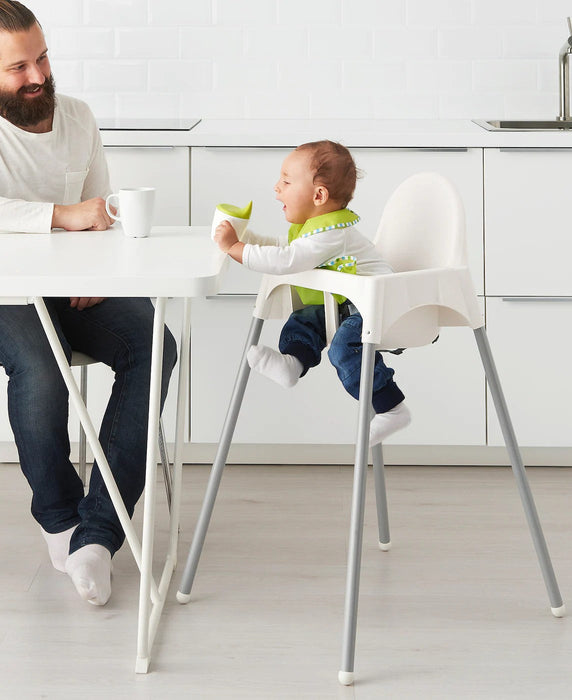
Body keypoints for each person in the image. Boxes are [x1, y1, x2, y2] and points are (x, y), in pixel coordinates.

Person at [0, 1, 177, 605]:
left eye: (42, 57)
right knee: (41, 370)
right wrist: (59, 217)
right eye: (16, 67)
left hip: (74, 287)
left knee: (154, 345)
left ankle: (98, 533)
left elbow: (100, 205)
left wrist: (101, 261)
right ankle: (59, 518)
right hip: (5, 294)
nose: (37, 77)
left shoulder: (77, 117)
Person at [214, 140, 411, 445]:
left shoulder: (331, 234)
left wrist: (235, 248)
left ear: (319, 195)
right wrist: (246, 238)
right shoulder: (314, 231)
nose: (277, 188)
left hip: (380, 307)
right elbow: (284, 247)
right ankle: (293, 362)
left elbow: (287, 260)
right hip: (349, 305)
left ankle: (391, 407)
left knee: (344, 347)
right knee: (306, 317)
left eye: (287, 181)